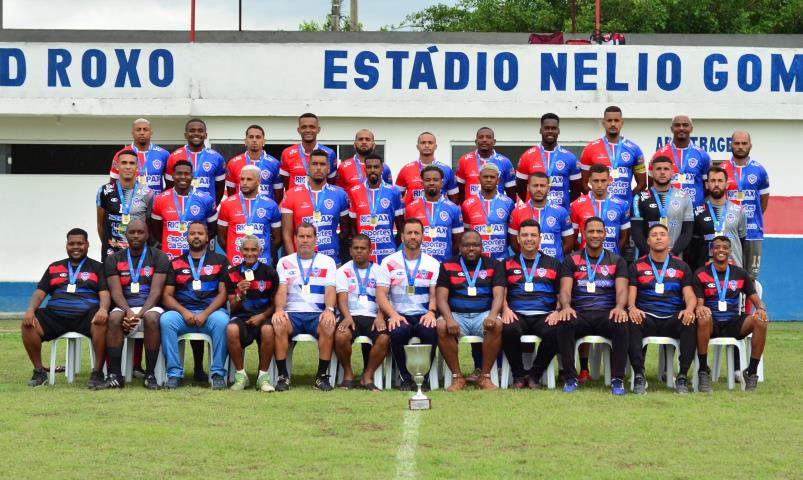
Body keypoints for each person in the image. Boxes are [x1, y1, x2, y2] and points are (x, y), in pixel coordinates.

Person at [21, 228, 109, 388]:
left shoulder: (97, 267)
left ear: (87, 244)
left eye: (80, 243)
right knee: (28, 324)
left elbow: (104, 293)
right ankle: (39, 372)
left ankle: (97, 373)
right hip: (55, 316)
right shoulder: (54, 267)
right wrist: (30, 310)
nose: (76, 247)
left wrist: (103, 309)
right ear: (66, 245)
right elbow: (40, 293)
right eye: (71, 244)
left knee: (101, 322)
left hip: (86, 317)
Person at [558, 217, 631, 395]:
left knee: (621, 323)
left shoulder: (617, 260)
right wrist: (566, 306)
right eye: (591, 231)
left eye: (599, 231)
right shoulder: (571, 260)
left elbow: (622, 290)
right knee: (564, 323)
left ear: (605, 234)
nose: (595, 235)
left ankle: (617, 379)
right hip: (580, 313)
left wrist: (620, 307)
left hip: (606, 313)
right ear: (584, 234)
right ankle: (570, 377)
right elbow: (565, 290)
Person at [95, 220, 169, 390]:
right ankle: (115, 375)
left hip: (150, 306)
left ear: (147, 234)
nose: (136, 236)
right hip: (125, 305)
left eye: (140, 232)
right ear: (126, 235)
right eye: (132, 232)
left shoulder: (159, 256)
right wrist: (128, 312)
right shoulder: (114, 259)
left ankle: (150, 375)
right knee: (113, 318)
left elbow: (156, 292)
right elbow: (116, 292)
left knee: (151, 318)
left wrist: (139, 314)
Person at [627, 223, 697, 394]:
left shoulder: (681, 266)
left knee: (690, 322)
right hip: (647, 316)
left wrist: (689, 309)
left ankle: (681, 377)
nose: (658, 237)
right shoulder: (637, 266)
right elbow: (631, 294)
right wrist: (632, 308)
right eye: (654, 235)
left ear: (669, 240)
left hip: (672, 318)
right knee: (632, 321)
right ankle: (639, 375)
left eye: (662, 234)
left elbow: (689, 295)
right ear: (648, 241)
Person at [160, 222, 230, 390]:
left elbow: (223, 294)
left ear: (207, 237)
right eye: (192, 233)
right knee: (166, 320)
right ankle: (174, 374)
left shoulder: (220, 260)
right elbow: (166, 296)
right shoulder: (175, 263)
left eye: (200, 233)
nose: (196, 236)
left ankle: (218, 374)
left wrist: (205, 314)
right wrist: (184, 312)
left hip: (211, 313)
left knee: (223, 322)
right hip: (183, 313)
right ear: (187, 237)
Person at [693, 236, 768, 392]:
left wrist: (761, 309)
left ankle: (751, 372)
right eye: (717, 247)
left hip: (734, 322)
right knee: (703, 316)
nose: (721, 250)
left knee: (760, 321)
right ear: (711, 250)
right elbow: (699, 304)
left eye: (725, 247)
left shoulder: (740, 273)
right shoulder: (701, 273)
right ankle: (702, 371)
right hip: (711, 322)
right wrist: (701, 309)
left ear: (730, 251)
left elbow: (756, 300)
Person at [501, 219, 568, 389]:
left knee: (556, 331)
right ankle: (518, 375)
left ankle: (534, 375)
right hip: (516, 313)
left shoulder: (553, 263)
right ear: (518, 238)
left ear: (540, 238)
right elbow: (500, 291)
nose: (528, 239)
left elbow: (561, 292)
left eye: (533, 235)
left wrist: (558, 310)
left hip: (544, 314)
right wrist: (505, 309)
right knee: (508, 329)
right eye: (524, 235)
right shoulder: (507, 263)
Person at [272, 223, 339, 391]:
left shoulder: (328, 262)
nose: (305, 240)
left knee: (329, 324)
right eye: (301, 236)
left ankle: (321, 377)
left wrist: (329, 310)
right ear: (295, 239)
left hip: (317, 314)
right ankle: (283, 377)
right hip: (292, 314)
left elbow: (330, 289)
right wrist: (279, 309)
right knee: (278, 323)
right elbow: (281, 290)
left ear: (315, 239)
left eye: (309, 237)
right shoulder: (284, 262)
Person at [375, 218, 440, 391]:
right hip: (399, 314)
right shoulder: (388, 262)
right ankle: (404, 377)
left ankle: (423, 378)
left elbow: (435, 294)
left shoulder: (433, 263)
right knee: (398, 332)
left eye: (416, 233)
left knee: (430, 332)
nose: (413, 236)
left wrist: (432, 312)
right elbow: (381, 294)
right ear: (402, 236)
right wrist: (393, 314)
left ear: (422, 237)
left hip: (422, 314)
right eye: (409, 233)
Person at [435, 230, 505, 391]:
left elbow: (499, 295)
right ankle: (457, 377)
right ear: (460, 247)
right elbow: (441, 298)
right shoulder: (447, 265)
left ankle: (485, 377)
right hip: (457, 315)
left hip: (483, 314)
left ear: (482, 247)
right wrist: (449, 319)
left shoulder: (494, 265)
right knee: (441, 326)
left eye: (475, 245)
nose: (471, 248)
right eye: (467, 245)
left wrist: (493, 315)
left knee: (497, 325)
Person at [333, 234, 390, 390]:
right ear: (350, 251)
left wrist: (380, 317)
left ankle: (367, 375)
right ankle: (348, 373)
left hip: (373, 316)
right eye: (355, 248)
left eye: (363, 248)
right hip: (351, 315)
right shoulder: (343, 271)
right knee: (340, 335)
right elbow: (342, 299)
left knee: (384, 338)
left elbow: (384, 298)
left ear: (369, 251)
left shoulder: (380, 271)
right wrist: (347, 317)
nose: (359, 251)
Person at [225, 235, 280, 392]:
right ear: (240, 251)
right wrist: (240, 295)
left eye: (253, 249)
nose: (250, 253)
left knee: (268, 330)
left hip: (263, 317)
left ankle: (263, 377)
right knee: (231, 329)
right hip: (242, 317)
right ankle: (241, 376)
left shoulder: (270, 273)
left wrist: (262, 316)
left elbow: (275, 303)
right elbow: (233, 307)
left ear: (260, 251)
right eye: (246, 249)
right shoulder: (232, 274)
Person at [281, 150, 350, 265]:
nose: (318, 168)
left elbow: (345, 230)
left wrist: (332, 242)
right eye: (314, 164)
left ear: (328, 169)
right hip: (301, 261)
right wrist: (293, 262)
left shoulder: (340, 194)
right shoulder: (291, 194)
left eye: (322, 164)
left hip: (332, 261)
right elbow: (287, 234)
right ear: (308, 168)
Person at [722, 131, 770, 280]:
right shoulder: (723, 168)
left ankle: (748, 304)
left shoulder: (759, 170)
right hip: (730, 232)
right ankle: (733, 304)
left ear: (750, 145)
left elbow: (763, 202)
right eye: (737, 143)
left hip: (753, 232)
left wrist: (751, 219)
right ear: (731, 145)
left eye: (744, 143)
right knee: (731, 276)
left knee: (751, 277)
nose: (740, 147)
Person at [150, 159, 218, 260]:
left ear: (192, 176)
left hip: (197, 257)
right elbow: (155, 230)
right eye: (179, 173)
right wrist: (169, 242)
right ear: (172, 176)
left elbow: (212, 229)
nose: (183, 177)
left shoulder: (206, 199)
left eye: (186, 174)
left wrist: (198, 244)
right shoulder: (160, 199)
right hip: (169, 256)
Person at [580, 105, 646, 204]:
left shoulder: (634, 149)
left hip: (624, 208)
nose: (613, 124)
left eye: (616, 120)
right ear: (603, 123)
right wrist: (595, 200)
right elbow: (583, 184)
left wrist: (628, 201)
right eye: (609, 120)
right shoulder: (590, 148)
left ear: (622, 123)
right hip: (598, 207)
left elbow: (642, 184)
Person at [218, 165, 282, 266]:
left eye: (249, 179)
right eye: (242, 179)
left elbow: (277, 238)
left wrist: (264, 252)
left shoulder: (271, 205)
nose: (244, 182)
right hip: (236, 263)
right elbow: (221, 238)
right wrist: (233, 253)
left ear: (258, 181)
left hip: (262, 263)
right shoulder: (227, 204)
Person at [96, 149, 153, 261]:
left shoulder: (147, 193)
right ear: (117, 166)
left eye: (131, 163)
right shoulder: (104, 191)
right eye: (124, 163)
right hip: (112, 253)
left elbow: (149, 225)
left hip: (138, 253)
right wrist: (109, 245)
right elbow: (100, 224)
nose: (128, 167)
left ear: (137, 167)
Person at [631, 156, 693, 258]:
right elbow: (636, 232)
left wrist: (673, 253)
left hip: (675, 257)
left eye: (666, 169)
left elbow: (687, 232)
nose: (662, 172)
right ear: (651, 172)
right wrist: (651, 254)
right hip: (647, 258)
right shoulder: (639, 198)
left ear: (672, 173)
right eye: (658, 169)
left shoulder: (684, 197)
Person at [347, 153, 404, 264]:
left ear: (382, 168)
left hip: (388, 252)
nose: (373, 170)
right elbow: (352, 225)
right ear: (365, 169)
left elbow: (401, 224)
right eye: (369, 167)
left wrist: (393, 245)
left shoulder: (394, 191)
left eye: (376, 167)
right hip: (364, 254)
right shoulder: (354, 191)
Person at [516, 113, 581, 208]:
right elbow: (520, 188)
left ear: (558, 131)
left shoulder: (570, 157)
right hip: (533, 212)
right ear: (540, 130)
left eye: (553, 128)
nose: (550, 131)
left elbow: (576, 190)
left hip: (560, 213)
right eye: (546, 128)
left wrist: (562, 204)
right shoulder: (527, 156)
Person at [689, 166, 747, 270]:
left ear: (726, 184)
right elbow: (694, 248)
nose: (716, 184)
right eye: (713, 181)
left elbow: (743, 244)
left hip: (734, 271)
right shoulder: (697, 212)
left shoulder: (739, 211)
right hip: (706, 272)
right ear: (707, 185)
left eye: (720, 181)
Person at [404, 165, 463, 263]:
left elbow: (458, 242)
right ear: (422, 183)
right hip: (418, 265)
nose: (431, 183)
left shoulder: (453, 209)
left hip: (444, 265)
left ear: (442, 183)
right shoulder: (411, 208)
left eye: (435, 180)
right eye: (427, 180)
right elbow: (408, 239)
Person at [510, 172, 573, 260]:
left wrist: (554, 260)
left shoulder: (561, 212)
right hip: (527, 266)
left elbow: (569, 244)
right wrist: (528, 259)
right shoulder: (517, 212)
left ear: (548, 188)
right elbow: (514, 244)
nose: (539, 189)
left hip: (554, 266)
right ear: (528, 188)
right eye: (535, 186)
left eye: (542, 186)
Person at [570, 163, 630, 254]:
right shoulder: (576, 205)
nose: (599, 185)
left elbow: (625, 237)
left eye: (603, 180)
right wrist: (582, 254)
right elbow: (572, 238)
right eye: (596, 181)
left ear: (609, 180)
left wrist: (615, 255)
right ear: (589, 181)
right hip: (586, 260)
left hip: (612, 260)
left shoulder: (622, 205)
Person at [651, 115, 711, 208]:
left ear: (691, 128)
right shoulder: (659, 154)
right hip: (667, 209)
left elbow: (707, 186)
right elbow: (652, 184)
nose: (681, 128)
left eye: (685, 125)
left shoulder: (703, 155)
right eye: (677, 125)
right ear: (671, 129)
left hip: (695, 210)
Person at [165, 118, 226, 206]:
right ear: (185, 135)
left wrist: (211, 206)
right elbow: (169, 187)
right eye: (192, 131)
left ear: (206, 135)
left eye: (200, 131)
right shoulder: (174, 157)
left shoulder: (217, 158)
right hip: (180, 207)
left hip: (206, 209)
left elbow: (220, 188)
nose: (196, 133)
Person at [462, 163, 515, 261]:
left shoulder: (508, 202)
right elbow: (466, 233)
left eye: (492, 177)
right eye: (485, 177)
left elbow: (511, 233)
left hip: (501, 259)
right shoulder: (468, 204)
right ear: (479, 178)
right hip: (477, 260)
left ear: (498, 180)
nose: (489, 180)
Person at [455, 127, 516, 203]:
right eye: (481, 137)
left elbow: (511, 194)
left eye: (488, 137)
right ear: (476, 141)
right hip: (472, 210)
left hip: (498, 210)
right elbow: (459, 193)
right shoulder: (464, 160)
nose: (484, 140)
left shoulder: (505, 162)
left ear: (494, 142)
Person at [395, 132, 459, 204]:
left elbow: (455, 200)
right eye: (423, 143)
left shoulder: (447, 170)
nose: (426, 145)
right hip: (413, 214)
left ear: (435, 146)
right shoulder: (406, 169)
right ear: (417, 146)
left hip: (439, 214)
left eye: (430, 143)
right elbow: (396, 197)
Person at [109, 118, 170, 194]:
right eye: (138, 130)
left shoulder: (163, 154)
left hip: (156, 203)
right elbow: (113, 183)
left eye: (145, 129)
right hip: (131, 203)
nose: (142, 132)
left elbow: (170, 185)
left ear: (151, 133)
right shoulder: (121, 155)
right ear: (132, 133)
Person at [225, 124, 283, 204]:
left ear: (264, 142)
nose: (254, 140)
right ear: (245, 141)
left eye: (258, 137)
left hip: (265, 212)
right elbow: (231, 193)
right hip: (241, 210)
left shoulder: (274, 164)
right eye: (251, 137)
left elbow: (279, 194)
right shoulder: (233, 163)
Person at [280, 112, 337, 188]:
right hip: (296, 199)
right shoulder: (287, 153)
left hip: (320, 199)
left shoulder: (329, 153)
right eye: (304, 127)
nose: (308, 130)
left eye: (312, 127)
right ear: (299, 130)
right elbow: (285, 183)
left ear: (318, 130)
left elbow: (331, 183)